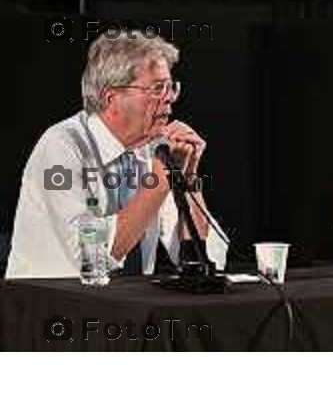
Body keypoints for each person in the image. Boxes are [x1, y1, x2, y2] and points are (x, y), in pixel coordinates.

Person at [6, 30, 227, 278]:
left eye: (170, 87)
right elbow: (93, 259)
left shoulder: (156, 149)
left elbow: (205, 255)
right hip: (54, 306)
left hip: (128, 308)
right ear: (112, 97)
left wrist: (187, 176)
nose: (169, 100)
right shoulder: (61, 146)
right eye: (157, 88)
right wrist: (160, 182)